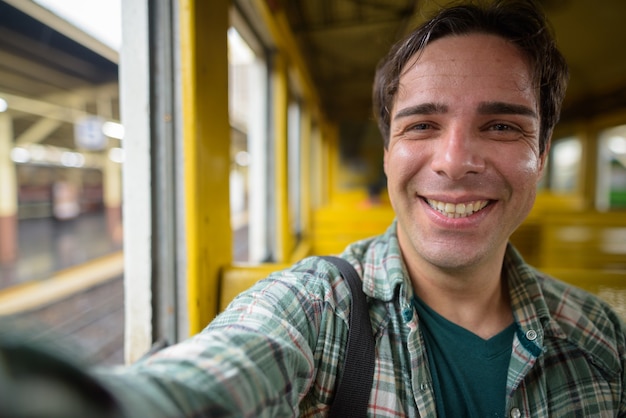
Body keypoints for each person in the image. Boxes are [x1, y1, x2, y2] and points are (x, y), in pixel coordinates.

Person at [2, 0, 625, 417]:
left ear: (541, 154)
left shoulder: (603, 337)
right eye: (422, 125)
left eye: (500, 126)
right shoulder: (315, 310)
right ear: (387, 155)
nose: (455, 159)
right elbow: (208, 380)